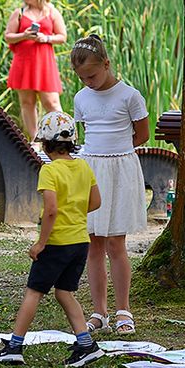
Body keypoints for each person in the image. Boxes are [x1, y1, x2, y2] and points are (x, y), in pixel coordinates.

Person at [0, 112, 102, 368]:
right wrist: (74, 210)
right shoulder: (83, 167)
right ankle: (86, 344)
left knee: (34, 292)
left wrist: (41, 242)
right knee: (64, 292)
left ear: (45, 143)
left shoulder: (49, 171)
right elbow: (96, 202)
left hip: (57, 243)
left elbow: (50, 209)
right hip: (80, 243)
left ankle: (15, 345)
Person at [69, 34, 149, 336]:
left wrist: (116, 152)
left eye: (91, 75)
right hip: (91, 170)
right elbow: (85, 132)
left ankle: (123, 310)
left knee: (116, 243)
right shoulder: (81, 98)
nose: (87, 81)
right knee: (93, 244)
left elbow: (141, 133)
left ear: (107, 64)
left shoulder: (129, 95)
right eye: (81, 77)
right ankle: (99, 311)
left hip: (120, 168)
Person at [4, 0, 67, 139]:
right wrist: (24, 35)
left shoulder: (52, 12)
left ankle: (64, 137)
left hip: (44, 63)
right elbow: (8, 36)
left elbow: (62, 36)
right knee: (27, 103)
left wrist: (45, 38)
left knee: (51, 102)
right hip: (24, 62)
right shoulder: (19, 13)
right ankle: (35, 140)